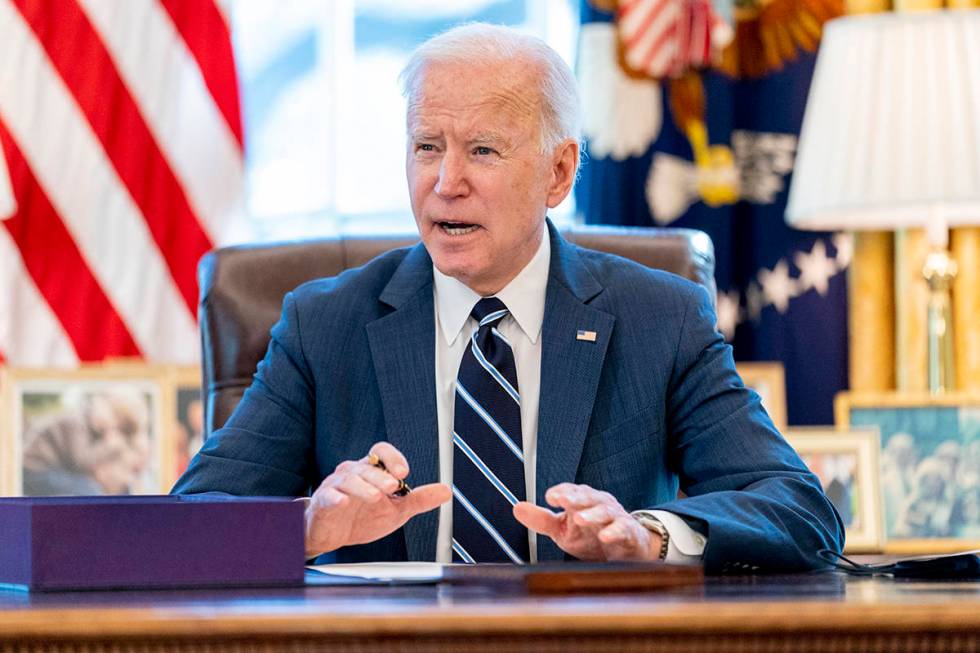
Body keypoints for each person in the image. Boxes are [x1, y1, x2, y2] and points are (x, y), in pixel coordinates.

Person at [173, 23, 842, 573]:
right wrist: (306, 525)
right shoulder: (325, 324)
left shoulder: (659, 319)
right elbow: (178, 529)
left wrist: (649, 536)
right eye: (426, 146)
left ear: (559, 172)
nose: (445, 181)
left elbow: (798, 509)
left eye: (483, 150)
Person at [23, 390, 151, 496]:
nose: (114, 428)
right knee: (91, 493)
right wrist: (109, 445)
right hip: (37, 470)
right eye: (116, 421)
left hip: (59, 472)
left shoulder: (95, 430)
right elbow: (82, 462)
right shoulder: (76, 422)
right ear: (105, 408)